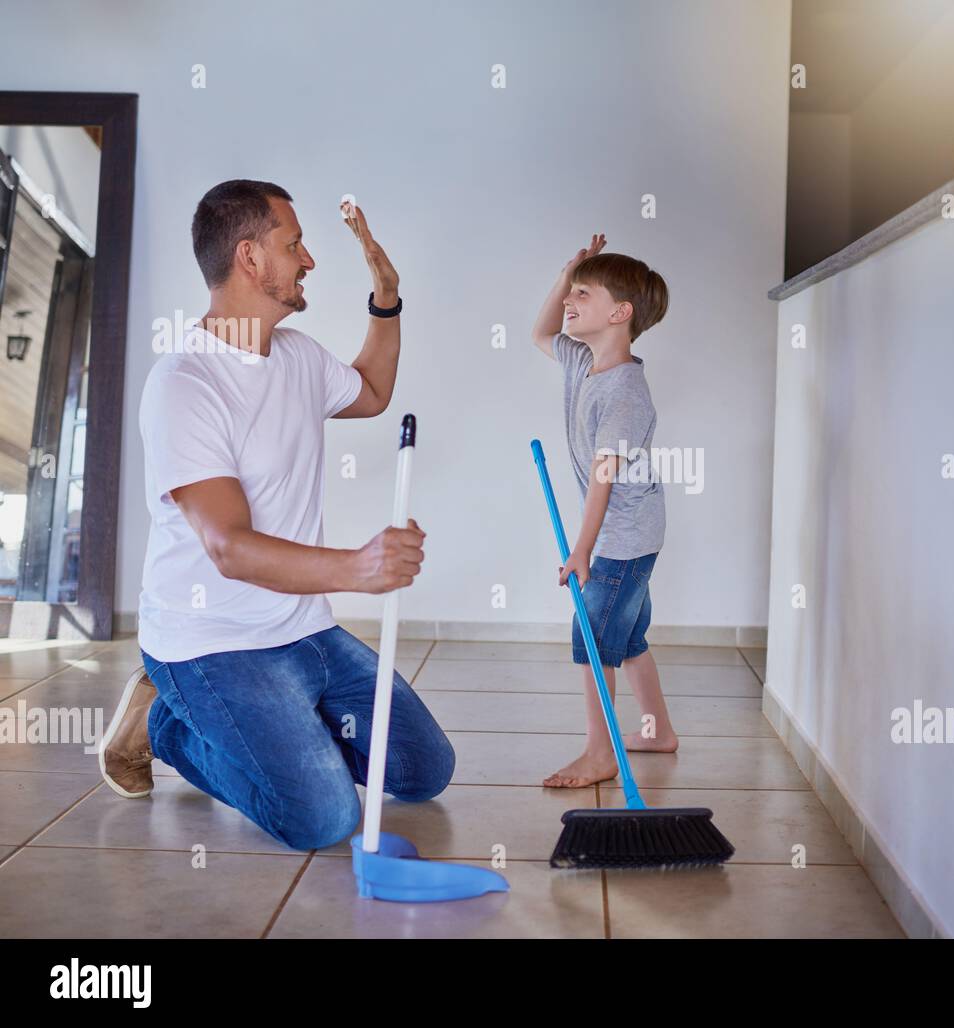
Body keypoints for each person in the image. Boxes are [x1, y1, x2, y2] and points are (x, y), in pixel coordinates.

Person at [99, 179, 449, 851]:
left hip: (301, 629)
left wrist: (386, 300)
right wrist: (359, 568)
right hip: (210, 643)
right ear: (250, 258)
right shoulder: (186, 383)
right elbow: (228, 546)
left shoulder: (298, 357)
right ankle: (166, 724)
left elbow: (372, 392)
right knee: (320, 819)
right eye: (294, 245)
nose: (309, 260)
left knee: (422, 770)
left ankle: (281, 730)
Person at [530, 235, 678, 788]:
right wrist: (571, 267)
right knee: (630, 634)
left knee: (593, 639)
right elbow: (540, 332)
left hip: (622, 537)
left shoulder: (625, 393)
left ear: (620, 313)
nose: (570, 300)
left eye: (582, 294)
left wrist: (582, 549)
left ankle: (599, 753)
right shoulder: (581, 360)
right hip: (629, 532)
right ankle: (657, 729)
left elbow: (604, 479)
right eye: (571, 292)